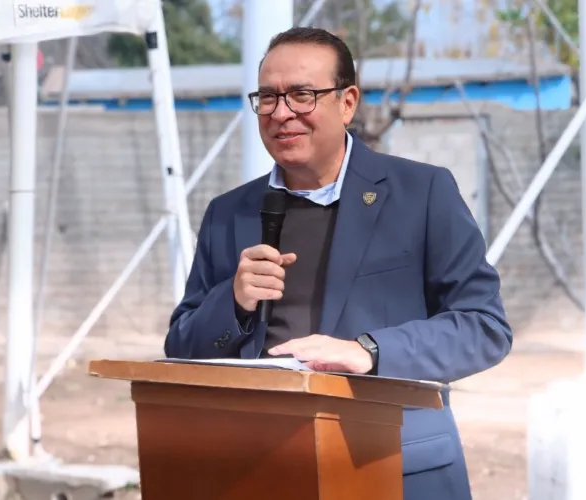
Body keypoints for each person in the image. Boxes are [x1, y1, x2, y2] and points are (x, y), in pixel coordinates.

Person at [164, 27, 512, 500]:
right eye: (268, 97)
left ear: (347, 102)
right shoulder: (229, 213)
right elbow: (182, 347)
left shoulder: (420, 193)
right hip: (259, 467)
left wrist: (370, 351)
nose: (281, 113)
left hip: (392, 466)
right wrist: (234, 302)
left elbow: (484, 326)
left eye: (301, 95)